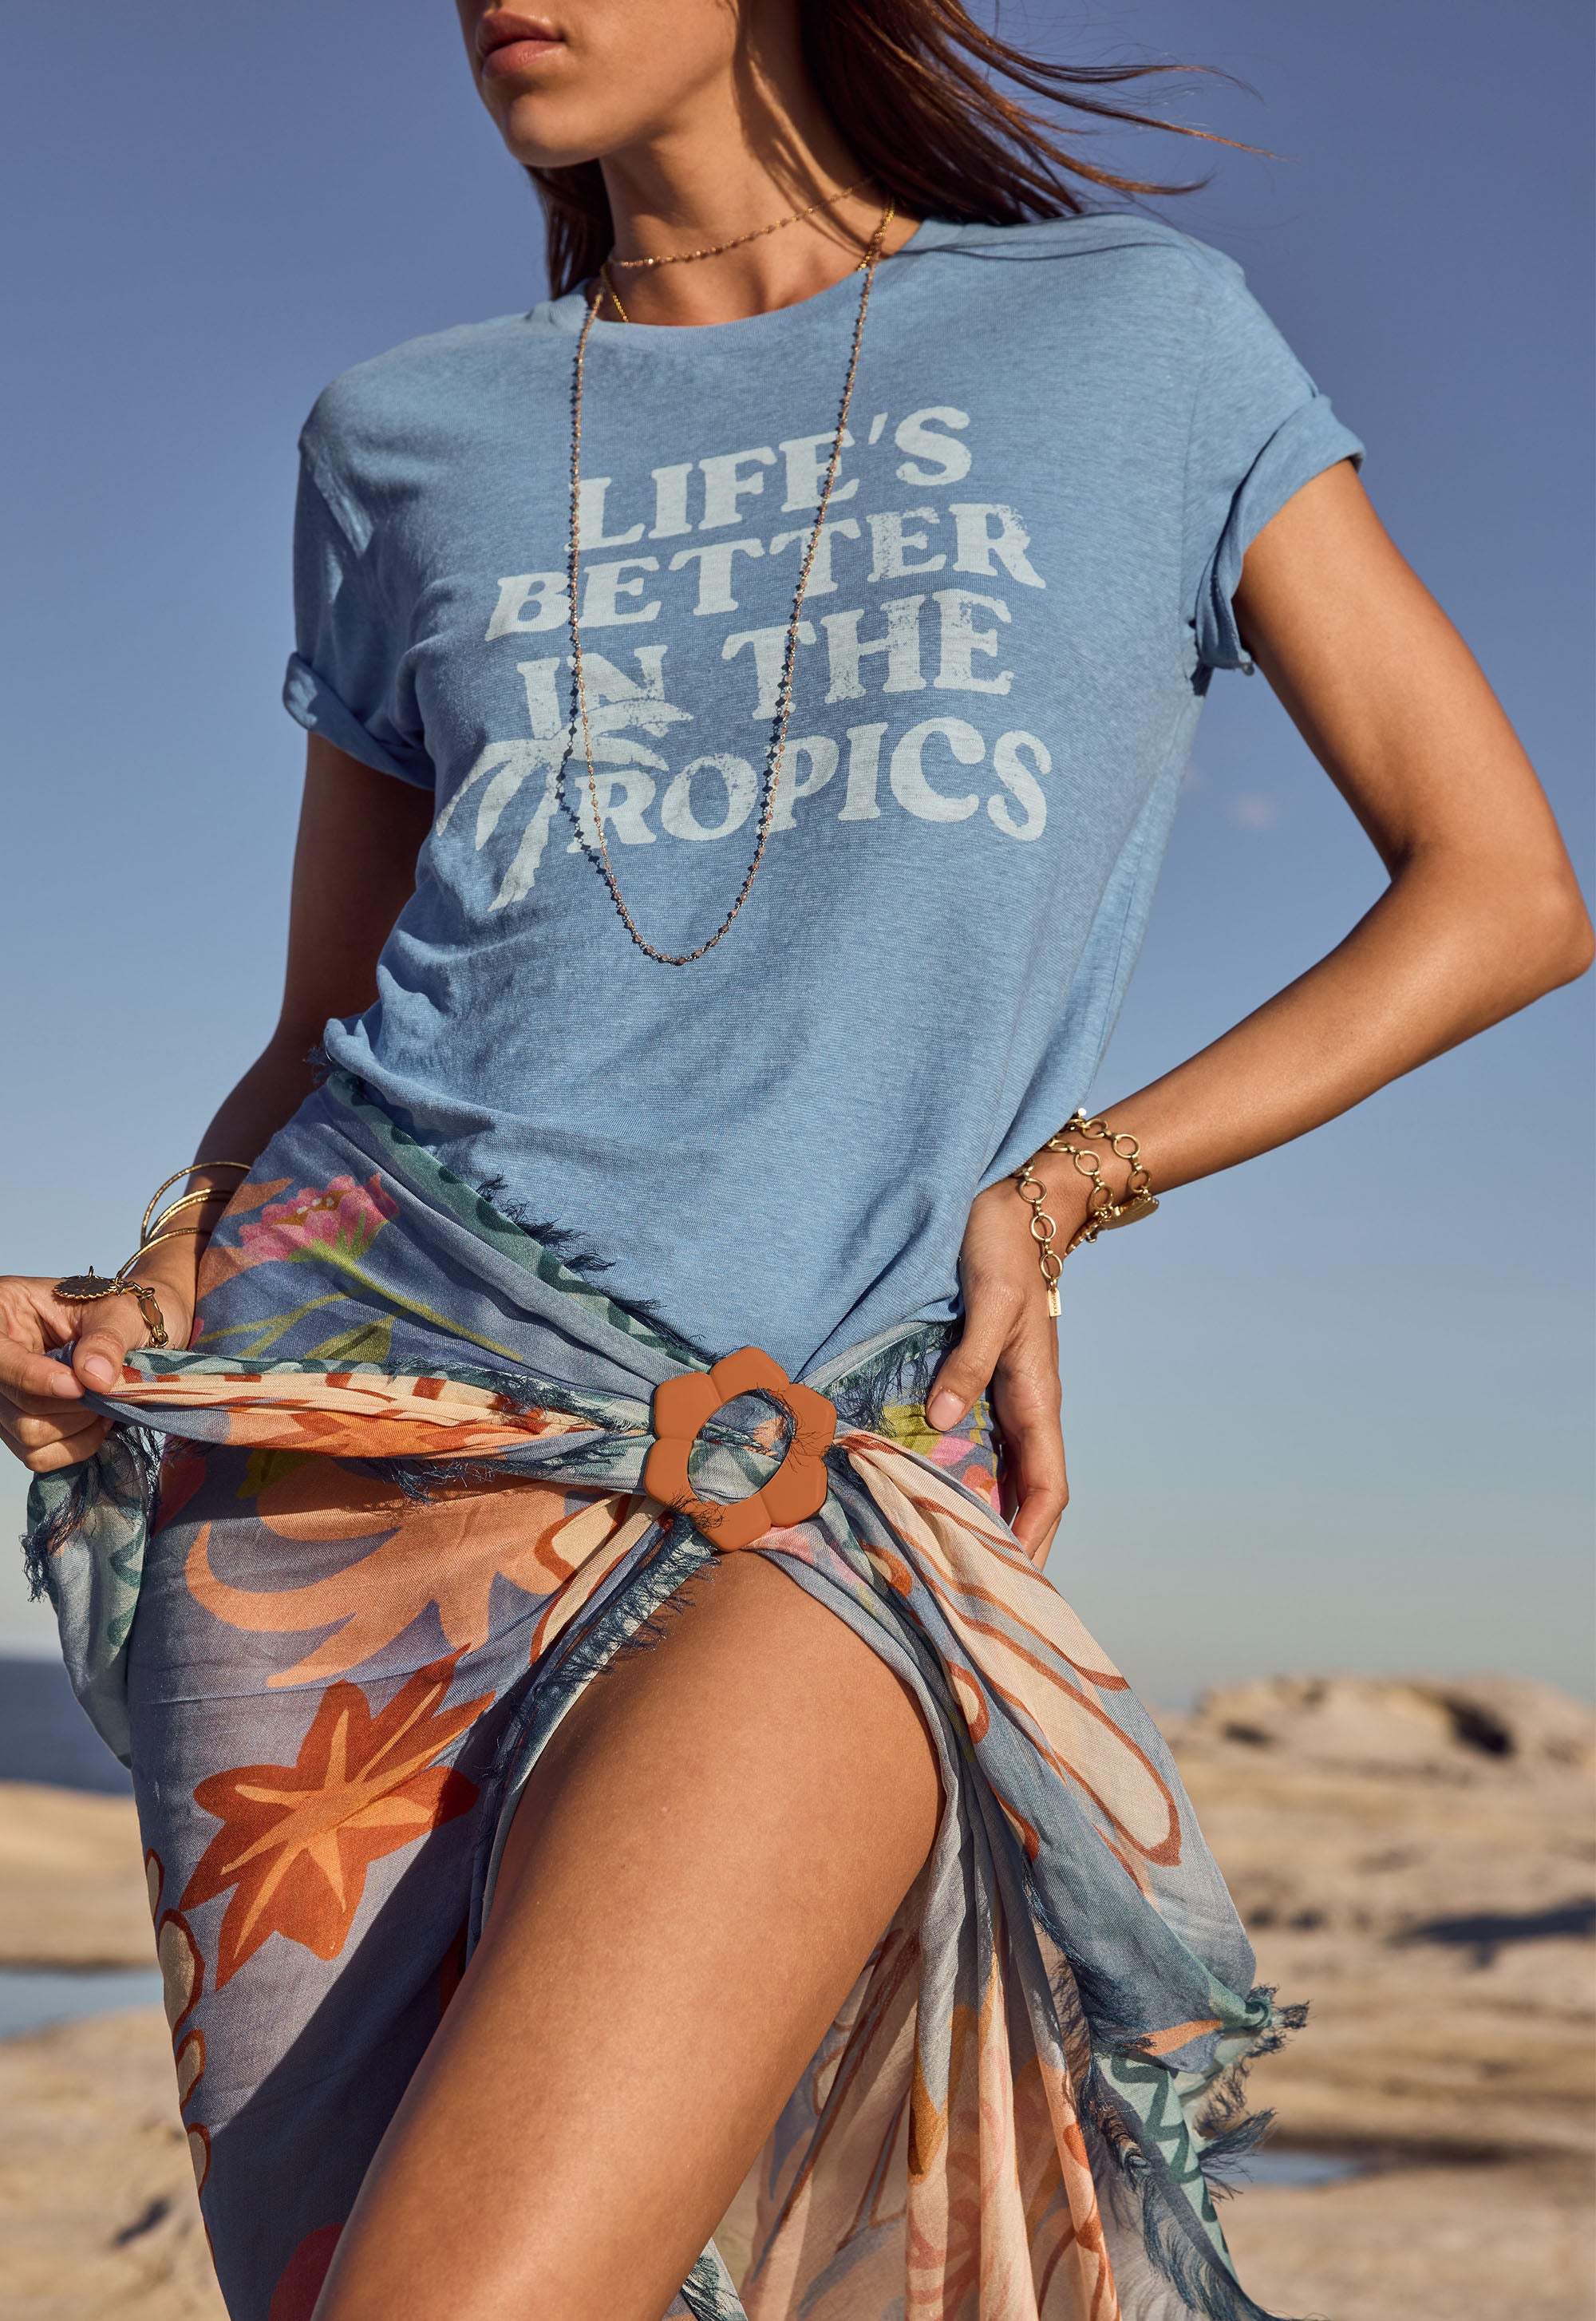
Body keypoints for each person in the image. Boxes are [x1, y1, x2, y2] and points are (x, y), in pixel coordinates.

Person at [3, 5, 1590, 2318]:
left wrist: (1063, 1191)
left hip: (820, 1471)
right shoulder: (401, 440)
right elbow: (322, 1038)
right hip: (327, 1501)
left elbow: (1501, 886)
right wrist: (140, 1303)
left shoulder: (1136, 348)